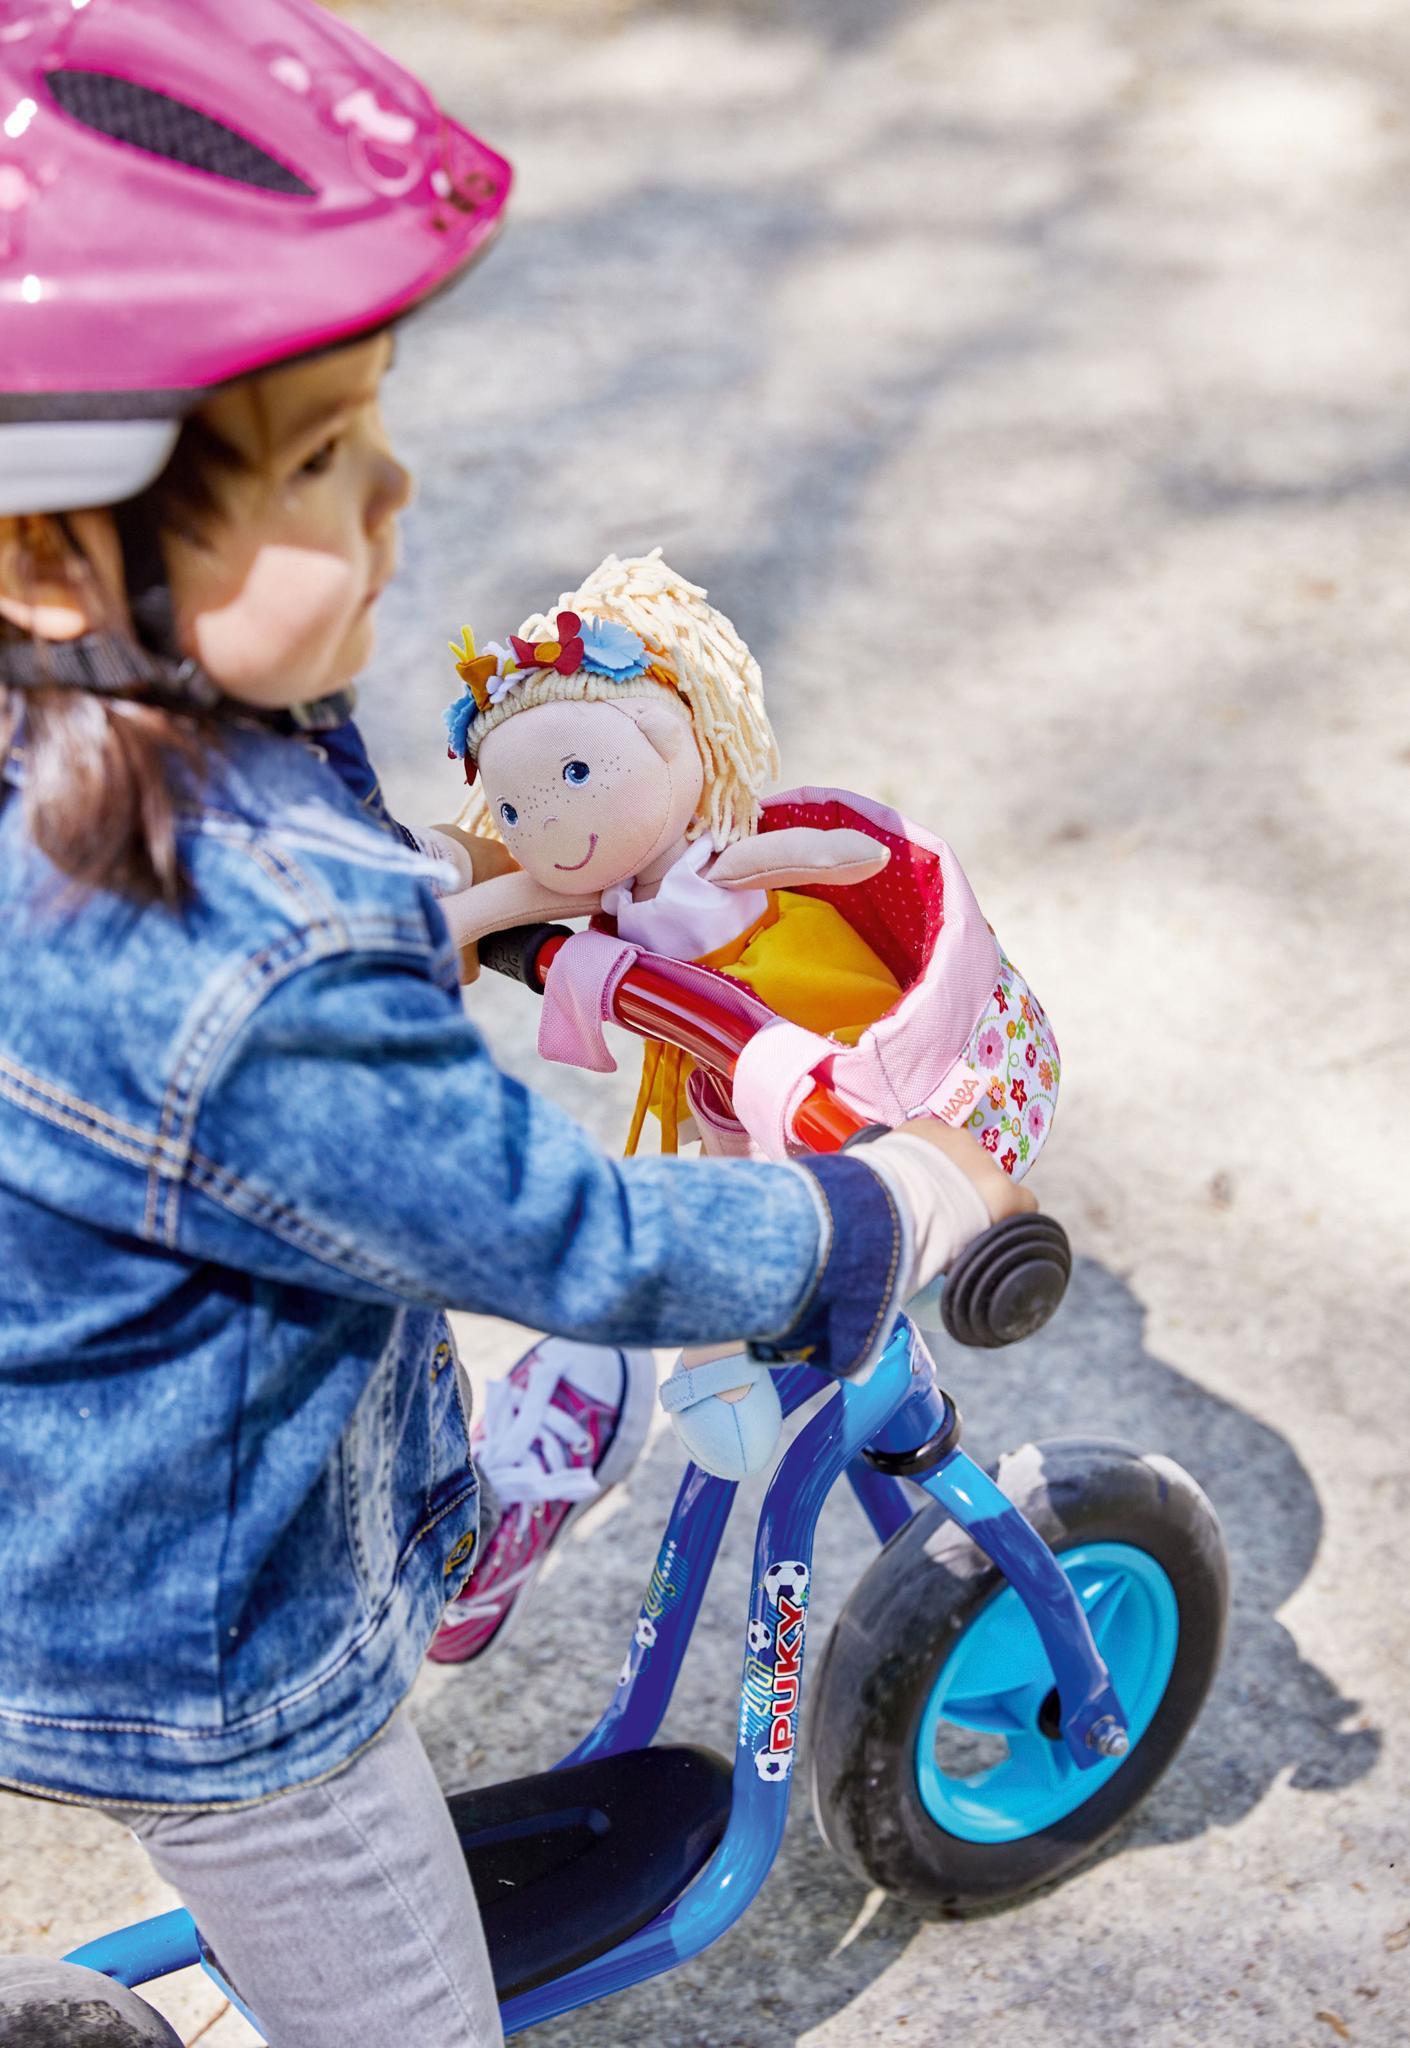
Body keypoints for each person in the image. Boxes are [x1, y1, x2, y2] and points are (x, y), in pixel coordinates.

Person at [0, 4, 1034, 2043]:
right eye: (311, 461)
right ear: (50, 552)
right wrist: (867, 1208)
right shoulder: (249, 954)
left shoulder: (106, 742)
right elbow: (571, 1236)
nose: (393, 492)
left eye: (369, 421)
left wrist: (466, 895)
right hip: (219, 1652)